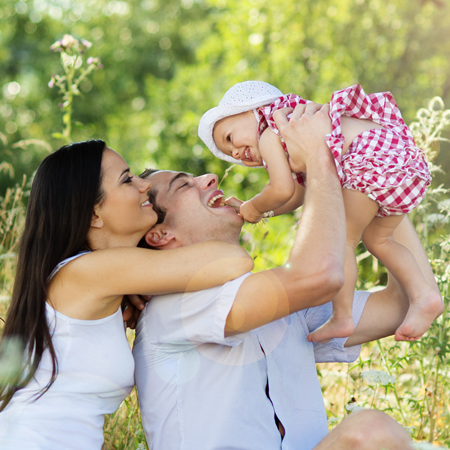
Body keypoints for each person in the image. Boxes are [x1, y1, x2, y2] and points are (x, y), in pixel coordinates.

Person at [133, 102, 439, 449]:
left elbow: (400, 305)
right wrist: (319, 159)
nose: (211, 176)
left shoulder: (277, 301)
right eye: (184, 185)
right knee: (368, 432)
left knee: (376, 434)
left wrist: (376, 171)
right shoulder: (176, 308)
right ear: (160, 236)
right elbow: (317, 276)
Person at [0, 140, 253, 450]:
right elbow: (232, 259)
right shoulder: (89, 272)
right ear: (94, 215)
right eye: (127, 179)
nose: (144, 185)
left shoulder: (95, 282)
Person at [198, 80, 443, 343]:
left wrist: (253, 207)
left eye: (229, 138)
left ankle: (343, 317)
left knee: (344, 241)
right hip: (400, 159)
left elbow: (280, 189)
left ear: (251, 111)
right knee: (379, 240)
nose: (235, 152)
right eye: (230, 154)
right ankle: (425, 295)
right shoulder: (297, 125)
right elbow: (297, 194)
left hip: (370, 161)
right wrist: (263, 212)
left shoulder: (271, 132)